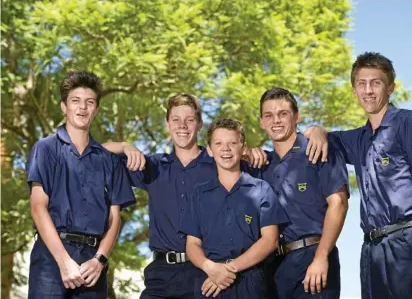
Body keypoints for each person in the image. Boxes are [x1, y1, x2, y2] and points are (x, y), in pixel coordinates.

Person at [304, 52, 412, 299]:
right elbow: (321, 137)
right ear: (354, 90)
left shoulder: (408, 123)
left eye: (376, 82)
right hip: (371, 251)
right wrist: (317, 130)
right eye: (361, 84)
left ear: (391, 87)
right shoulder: (357, 139)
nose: (368, 90)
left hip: (406, 245)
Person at [103, 94, 269, 299]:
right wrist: (124, 146)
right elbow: (93, 155)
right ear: (167, 124)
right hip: (161, 274)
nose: (183, 125)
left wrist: (252, 152)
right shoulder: (153, 167)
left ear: (199, 124)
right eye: (176, 119)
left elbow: (269, 160)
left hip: (207, 272)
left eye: (190, 120)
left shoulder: (220, 162)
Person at [26, 71, 136, 299]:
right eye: (75, 101)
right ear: (64, 107)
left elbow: (114, 218)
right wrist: (64, 261)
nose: (82, 108)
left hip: (93, 263)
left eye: (90, 102)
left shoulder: (109, 161)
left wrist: (100, 260)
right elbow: (38, 207)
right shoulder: (45, 149)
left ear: (96, 110)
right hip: (51, 257)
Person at [257, 88, 350, 299]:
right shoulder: (263, 165)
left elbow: (339, 204)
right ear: (262, 121)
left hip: (313, 258)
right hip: (275, 268)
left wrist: (321, 257)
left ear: (296, 117)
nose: (276, 121)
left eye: (283, 114)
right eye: (269, 115)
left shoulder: (319, 150)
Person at [179, 118, 288, 299]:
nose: (226, 149)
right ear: (209, 150)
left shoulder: (261, 189)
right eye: (219, 143)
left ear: (243, 148)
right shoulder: (199, 194)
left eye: (232, 143)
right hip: (210, 283)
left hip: (251, 282)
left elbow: (270, 240)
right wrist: (211, 268)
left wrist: (229, 269)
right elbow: (192, 245)